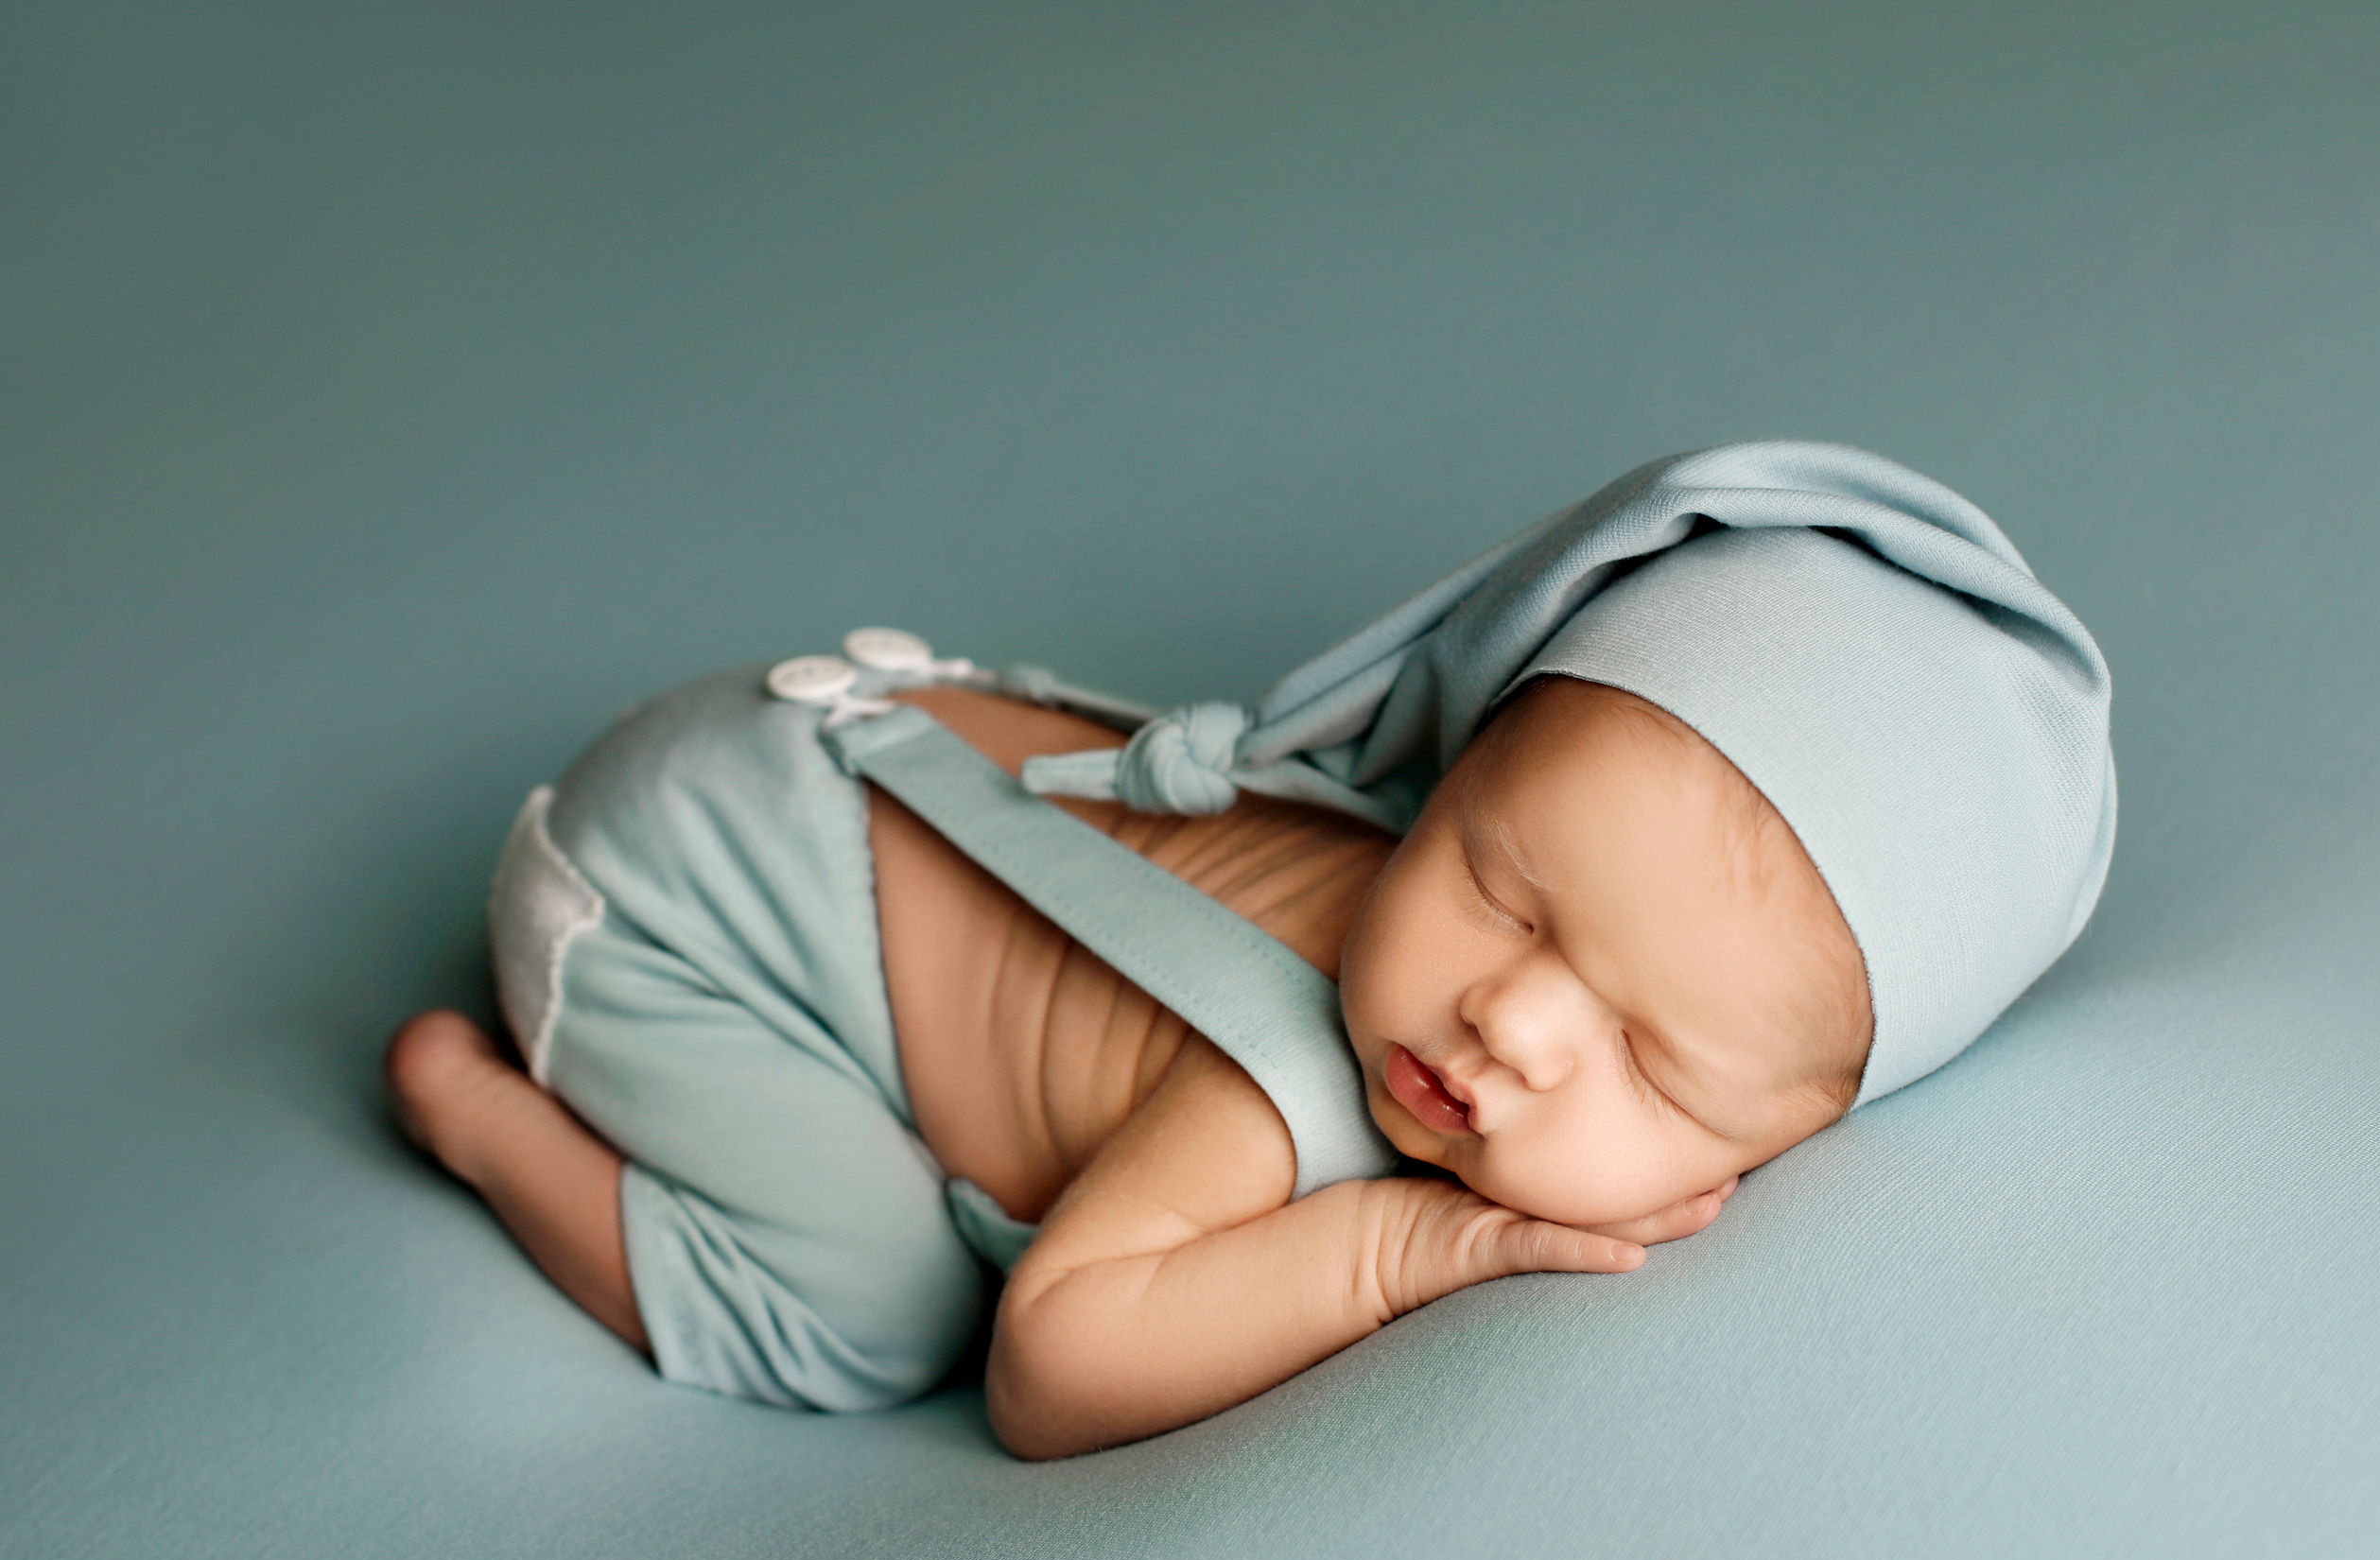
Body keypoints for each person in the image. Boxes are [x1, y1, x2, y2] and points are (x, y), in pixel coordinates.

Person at [388, 441, 2115, 1460]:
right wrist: (1398, 1254)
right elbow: (1051, 1366)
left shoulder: (1481, 979)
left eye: (1652, 1057)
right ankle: (474, 1106)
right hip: (654, 898)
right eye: (1502, 890)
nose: (1506, 1015)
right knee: (874, 1311)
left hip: (807, 737)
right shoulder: (1289, 1094)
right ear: (1456, 774)